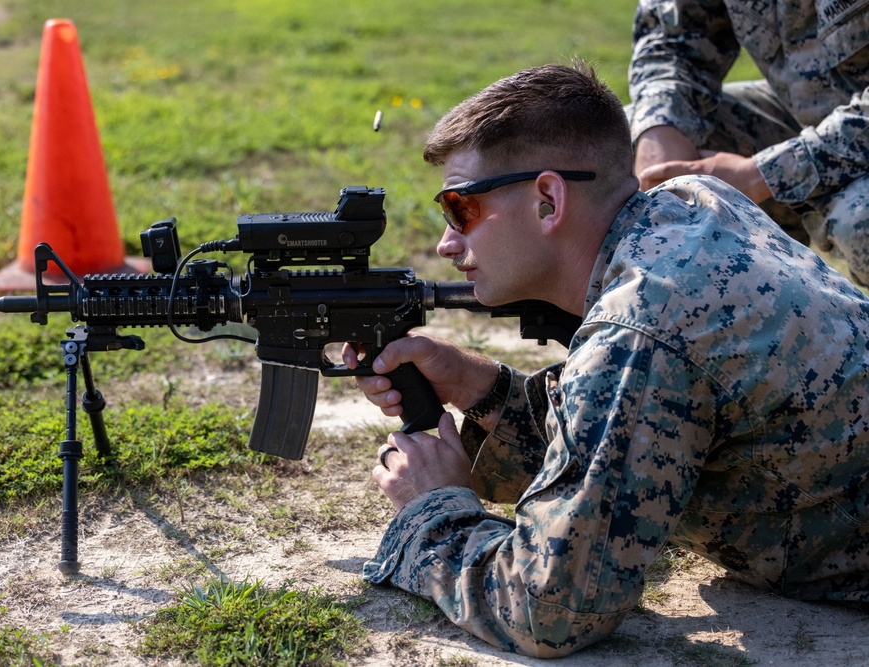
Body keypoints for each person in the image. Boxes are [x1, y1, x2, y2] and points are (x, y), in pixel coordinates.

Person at [343, 61, 869, 658]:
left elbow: (550, 609)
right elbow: (636, 432)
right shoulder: (690, 204)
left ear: (548, 199)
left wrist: (433, 511)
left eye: (460, 208)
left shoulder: (641, 323)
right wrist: (480, 388)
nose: (446, 242)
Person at [627, 0, 869, 284]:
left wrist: (762, 175)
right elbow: (673, 37)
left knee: (860, 223)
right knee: (618, 147)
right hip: (803, 115)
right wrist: (661, 136)